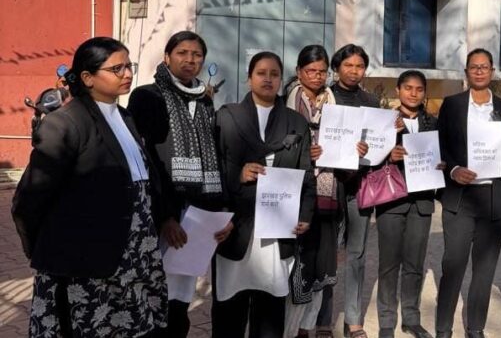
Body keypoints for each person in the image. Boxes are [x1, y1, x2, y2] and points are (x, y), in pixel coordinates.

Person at [12, 37, 168, 337]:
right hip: (84, 264)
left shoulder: (125, 117)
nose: (127, 74)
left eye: (129, 66)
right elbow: (29, 198)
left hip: (133, 260)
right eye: (117, 68)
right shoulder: (66, 123)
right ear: (87, 77)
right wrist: (45, 249)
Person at [128, 30, 232, 338]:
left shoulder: (205, 101)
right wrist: (164, 217)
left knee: (180, 299)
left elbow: (215, 155)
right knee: (151, 294)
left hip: (197, 215)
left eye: (197, 55)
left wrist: (219, 212)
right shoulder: (147, 97)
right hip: (161, 214)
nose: (190, 60)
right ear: (167, 57)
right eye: (182, 53)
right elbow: (145, 160)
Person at [212, 51, 316, 338]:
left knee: (270, 312)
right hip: (236, 226)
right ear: (249, 78)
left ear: (281, 79)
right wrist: (238, 174)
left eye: (274, 74)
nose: (268, 79)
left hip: (276, 231)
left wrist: (305, 215)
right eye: (261, 73)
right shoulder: (227, 117)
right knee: (229, 312)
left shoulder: (296, 123)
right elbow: (213, 166)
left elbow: (306, 174)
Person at [435, 48, 501, 338]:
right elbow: (440, 145)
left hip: (492, 201)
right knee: (452, 267)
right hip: (460, 199)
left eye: (484, 67)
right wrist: (453, 170)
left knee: (484, 272)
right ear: (466, 72)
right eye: (473, 67)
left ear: (492, 71)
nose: (479, 71)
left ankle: (475, 328)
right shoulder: (451, 105)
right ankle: (443, 329)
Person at [282, 45, 340, 338]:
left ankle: (307, 326)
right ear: (298, 72)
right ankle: (289, 329)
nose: (317, 76)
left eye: (322, 71)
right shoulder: (286, 103)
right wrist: (305, 150)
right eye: (311, 71)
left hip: (329, 192)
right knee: (297, 264)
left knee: (321, 263)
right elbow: (279, 145)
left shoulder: (334, 102)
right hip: (294, 193)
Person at [376, 70, 439, 338]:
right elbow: (370, 157)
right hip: (391, 201)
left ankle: (411, 318)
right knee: (389, 264)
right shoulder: (385, 122)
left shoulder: (434, 123)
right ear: (398, 90)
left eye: (419, 89)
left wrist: (442, 164)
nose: (413, 93)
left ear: (425, 92)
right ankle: (386, 321)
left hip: (422, 202)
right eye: (408, 88)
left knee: (415, 263)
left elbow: (443, 155)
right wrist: (388, 155)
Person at [329, 43, 377, 338]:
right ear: (337, 68)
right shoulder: (325, 97)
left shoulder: (371, 102)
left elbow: (380, 143)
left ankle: (354, 319)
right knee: (327, 254)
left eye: (359, 66)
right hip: (329, 186)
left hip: (360, 186)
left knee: (357, 255)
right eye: (348, 65)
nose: (354, 71)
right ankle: (322, 320)